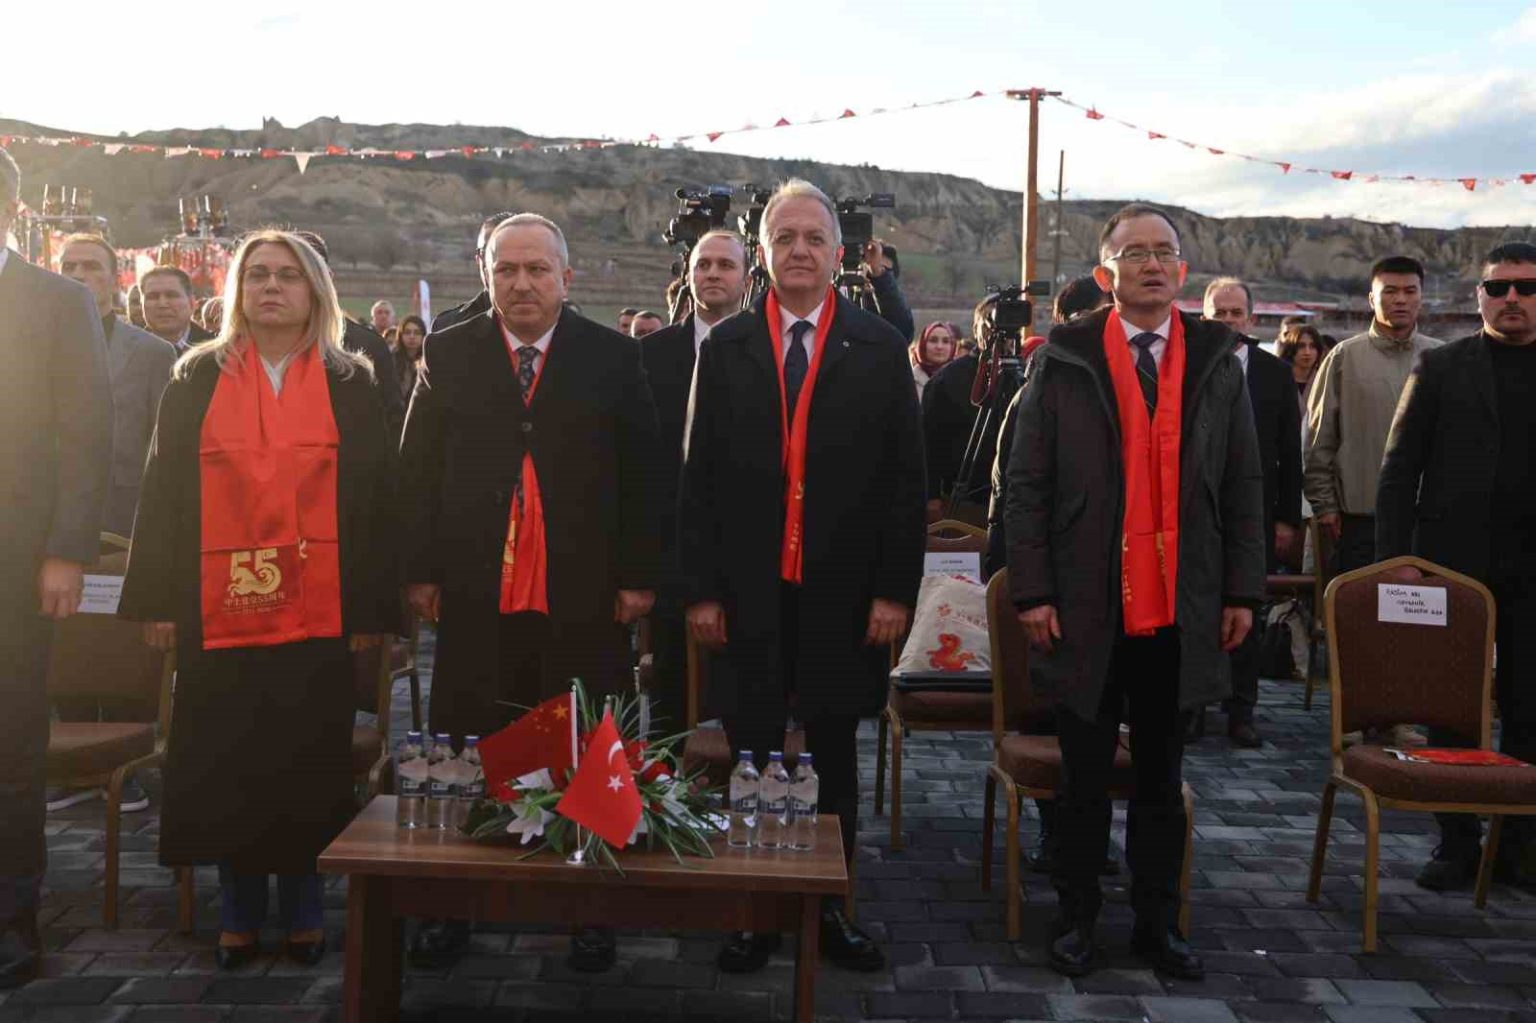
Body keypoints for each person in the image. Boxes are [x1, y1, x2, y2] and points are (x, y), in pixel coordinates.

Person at [120, 229, 396, 972]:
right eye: (258, 275)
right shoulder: (195, 378)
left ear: (315, 291)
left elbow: (376, 503)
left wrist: (372, 610)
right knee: (230, 756)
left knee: (306, 756)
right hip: (218, 611)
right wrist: (158, 601)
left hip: (320, 611)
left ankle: (304, 906)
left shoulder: (352, 381)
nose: (272, 287)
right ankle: (239, 909)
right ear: (237, 291)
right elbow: (162, 493)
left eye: (288, 275)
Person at [1005, 203, 1265, 980]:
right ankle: (1077, 917)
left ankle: (1158, 922)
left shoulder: (1218, 359)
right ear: (1105, 272)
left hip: (1182, 603)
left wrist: (1242, 591)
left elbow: (1243, 484)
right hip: (1087, 601)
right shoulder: (1065, 357)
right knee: (1083, 774)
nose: (1152, 264)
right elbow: (1027, 484)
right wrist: (1033, 591)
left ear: (1181, 271)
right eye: (1135, 252)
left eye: (1164, 252)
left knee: (1161, 775)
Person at [398, 212, 662, 974]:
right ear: (485, 277)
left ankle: (591, 907)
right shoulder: (449, 352)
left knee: (589, 744)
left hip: (586, 592)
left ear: (566, 278)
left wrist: (640, 576)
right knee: (471, 740)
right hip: (475, 591)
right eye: (506, 269)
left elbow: (646, 475)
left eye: (537, 269)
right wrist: (420, 569)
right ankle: (454, 905)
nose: (521, 283)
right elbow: (415, 471)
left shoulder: (614, 356)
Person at [679, 179, 925, 974]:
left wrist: (893, 591)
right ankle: (756, 912)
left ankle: (830, 910)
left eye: (814, 238)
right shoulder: (727, 347)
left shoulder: (879, 346)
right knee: (752, 755)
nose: (799, 250)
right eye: (784, 237)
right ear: (762, 253)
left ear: (838, 252)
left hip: (844, 594)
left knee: (832, 757)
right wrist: (702, 590)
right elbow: (699, 481)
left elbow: (904, 481)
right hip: (748, 590)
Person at [1376, 242, 1536, 892]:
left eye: (1526, 287)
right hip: (1449, 568)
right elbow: (1398, 470)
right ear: (1479, 297)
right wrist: (1396, 560)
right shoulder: (1440, 367)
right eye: (1498, 287)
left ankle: (1519, 844)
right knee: (1449, 707)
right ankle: (1457, 841)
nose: (1512, 299)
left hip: (1532, 571)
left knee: (1530, 706)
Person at [0, 148, 113, 990]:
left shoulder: (56, 300)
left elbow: (86, 433)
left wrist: (67, 550)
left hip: (17, 564)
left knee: (9, 743)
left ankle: (12, 917)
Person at [986, 274, 1116, 877]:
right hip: (1046, 581)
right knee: (1047, 713)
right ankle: (1054, 829)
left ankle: (1091, 837)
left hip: (1104, 587)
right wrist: (1014, 580)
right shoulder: (1043, 386)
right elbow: (1013, 491)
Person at [639, 230, 749, 726]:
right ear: (688, 274)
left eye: (725, 265)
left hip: (746, 555)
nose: (712, 274)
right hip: (669, 551)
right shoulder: (650, 354)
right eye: (703, 264)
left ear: (746, 277)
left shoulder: (771, 351)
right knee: (670, 699)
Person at [1189, 277, 1302, 749]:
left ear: (1251, 319)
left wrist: (1286, 519)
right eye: (1219, 312)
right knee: (1195, 611)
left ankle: (1241, 710)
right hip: (1197, 512)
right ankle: (1192, 707)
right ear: (1204, 316)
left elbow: (1290, 452)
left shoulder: (1275, 373)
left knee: (1247, 610)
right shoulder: (1187, 366)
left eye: (1236, 313)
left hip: (1254, 513)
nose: (1228, 320)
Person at [1305, 256, 1443, 575]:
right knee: (1361, 606)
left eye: (1409, 291)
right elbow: (1318, 441)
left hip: (1428, 523)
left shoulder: (1442, 357)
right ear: (1372, 299)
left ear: (1421, 297)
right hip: (1359, 524)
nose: (1400, 300)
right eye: (1390, 291)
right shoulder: (1344, 357)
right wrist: (1325, 507)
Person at [57, 235, 178, 541]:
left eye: (91, 266)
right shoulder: (25, 346)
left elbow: (165, 444)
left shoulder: (153, 352)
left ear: (116, 281)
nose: (77, 274)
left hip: (122, 517)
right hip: (43, 510)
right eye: (68, 266)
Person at [292, 233, 406, 442]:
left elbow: (393, 422)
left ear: (328, 277)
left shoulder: (368, 346)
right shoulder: (250, 348)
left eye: (303, 273)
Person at [431, 212, 516, 334]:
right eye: (488, 251)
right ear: (478, 259)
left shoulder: (544, 322)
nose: (496, 261)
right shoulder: (447, 327)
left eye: (507, 250)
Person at [141, 266, 215, 353]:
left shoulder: (217, 351)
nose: (162, 304)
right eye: (153, 297)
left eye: (171, 295)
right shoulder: (129, 351)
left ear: (191, 303)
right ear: (142, 305)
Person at [861, 238, 915, 342]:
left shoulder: (897, 307)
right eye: (869, 269)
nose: (873, 275)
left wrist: (878, 274)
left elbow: (902, 333)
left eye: (884, 271)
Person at [1277, 321, 1324, 412]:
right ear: (1291, 349)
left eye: (1312, 346)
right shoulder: (1278, 379)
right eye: (1301, 346)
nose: (1307, 352)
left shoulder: (1324, 380)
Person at [910, 320, 958, 399]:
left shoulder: (960, 379)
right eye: (933, 340)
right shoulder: (908, 380)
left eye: (946, 341)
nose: (939, 347)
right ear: (923, 345)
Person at [394, 314, 426, 404]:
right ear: (400, 335)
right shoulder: (392, 359)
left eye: (417, 333)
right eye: (407, 332)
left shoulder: (428, 360)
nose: (412, 336)